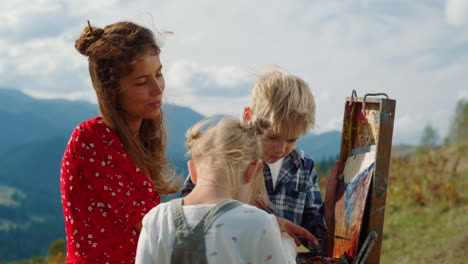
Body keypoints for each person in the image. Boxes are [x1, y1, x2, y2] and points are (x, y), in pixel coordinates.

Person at [60, 21, 181, 263]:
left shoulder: (139, 139)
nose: (158, 88)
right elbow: (152, 226)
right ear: (111, 89)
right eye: (141, 82)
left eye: (158, 73)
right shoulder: (92, 139)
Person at [182, 71, 338, 246]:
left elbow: (315, 240)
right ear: (249, 117)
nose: (280, 149)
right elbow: (188, 216)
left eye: (292, 140)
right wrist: (236, 205)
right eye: (271, 137)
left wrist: (331, 206)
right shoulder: (222, 155)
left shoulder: (302, 167)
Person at [136, 117, 298, 264]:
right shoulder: (259, 222)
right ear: (252, 170)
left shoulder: (155, 219)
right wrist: (287, 244)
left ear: (192, 171)